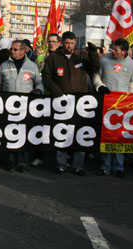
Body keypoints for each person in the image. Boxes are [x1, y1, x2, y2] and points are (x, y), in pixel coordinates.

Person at [42, 31, 100, 176]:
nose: (69, 46)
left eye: (72, 43)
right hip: (61, 101)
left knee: (79, 134)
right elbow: (47, 78)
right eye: (67, 43)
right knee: (61, 133)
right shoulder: (54, 58)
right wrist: (58, 93)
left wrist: (93, 54)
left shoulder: (81, 56)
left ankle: (78, 165)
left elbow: (94, 68)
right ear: (62, 43)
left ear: (75, 43)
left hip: (80, 102)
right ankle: (61, 164)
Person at [0, 40, 43, 172]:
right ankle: (10, 162)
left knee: (24, 135)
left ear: (23, 51)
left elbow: (39, 83)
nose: (12, 51)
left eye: (15, 49)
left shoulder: (32, 66)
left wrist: (38, 90)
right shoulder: (5, 65)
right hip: (10, 106)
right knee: (11, 135)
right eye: (12, 49)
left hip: (26, 107)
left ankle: (23, 163)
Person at [92, 38, 133, 178]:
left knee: (119, 137)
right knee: (106, 136)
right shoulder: (104, 60)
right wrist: (100, 87)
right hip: (106, 103)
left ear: (124, 52)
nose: (113, 51)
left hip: (122, 106)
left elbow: (132, 85)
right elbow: (96, 76)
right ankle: (105, 165)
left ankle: (118, 166)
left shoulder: (132, 65)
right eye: (112, 48)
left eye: (116, 49)